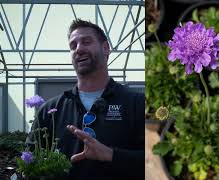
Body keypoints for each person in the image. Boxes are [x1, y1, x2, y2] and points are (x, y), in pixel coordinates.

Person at [26, 19, 144, 180]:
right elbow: (30, 164)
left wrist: (111, 155)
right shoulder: (51, 110)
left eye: (86, 42)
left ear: (106, 48)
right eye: (73, 46)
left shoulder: (136, 103)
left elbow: (153, 160)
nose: (79, 49)